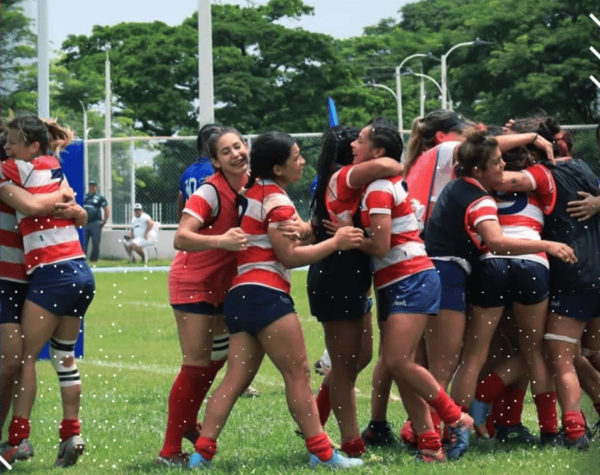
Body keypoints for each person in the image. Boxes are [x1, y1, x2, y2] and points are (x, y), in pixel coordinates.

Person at [190, 131, 365, 470]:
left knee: (234, 380)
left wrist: (313, 230)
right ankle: (323, 454)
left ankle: (201, 455)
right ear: (278, 168)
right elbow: (289, 257)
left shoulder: (254, 191)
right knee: (299, 375)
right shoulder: (277, 199)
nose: (302, 162)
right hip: (266, 294)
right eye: (296, 157)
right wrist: (336, 242)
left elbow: (283, 234)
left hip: (240, 296)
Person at [423, 129, 576, 447]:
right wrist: (536, 141)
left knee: (475, 354)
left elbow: (473, 150)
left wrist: (527, 137)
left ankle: (459, 427)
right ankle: (548, 430)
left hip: (488, 267)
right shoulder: (541, 179)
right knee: (533, 351)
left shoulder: (474, 181)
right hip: (532, 263)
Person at [357, 119, 477, 462]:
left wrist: (345, 238)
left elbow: (380, 246)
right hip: (396, 279)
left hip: (411, 277)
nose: (354, 145)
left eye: (361, 140)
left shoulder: (380, 186)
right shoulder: (378, 183)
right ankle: (429, 444)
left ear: (377, 152)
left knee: (397, 360)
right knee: (400, 363)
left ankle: (456, 418)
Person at [0, 113, 95, 468]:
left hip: (52, 273)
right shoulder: (56, 168)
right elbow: (78, 212)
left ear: (31, 146)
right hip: (82, 272)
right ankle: (72, 431)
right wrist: (74, 206)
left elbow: (29, 204)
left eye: (12, 142)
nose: (7, 148)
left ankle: (17, 439)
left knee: (24, 357)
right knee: (64, 358)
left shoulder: (17, 170)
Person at [307, 124, 404, 456]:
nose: (357, 145)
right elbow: (393, 165)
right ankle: (351, 445)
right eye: (356, 142)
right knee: (345, 369)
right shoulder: (345, 176)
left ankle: (315, 420)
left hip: (351, 276)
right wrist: (375, 152)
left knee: (358, 359)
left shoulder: (344, 178)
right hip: (337, 276)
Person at [157, 126, 250, 467]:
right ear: (215, 161)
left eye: (238, 146)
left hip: (224, 285)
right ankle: (168, 451)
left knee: (216, 360)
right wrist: (222, 240)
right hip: (192, 282)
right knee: (196, 365)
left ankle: (186, 423)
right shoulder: (210, 191)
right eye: (226, 152)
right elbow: (181, 238)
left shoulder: (253, 184)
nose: (235, 154)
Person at [507, 115, 600, 448]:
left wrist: (499, 143)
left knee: (560, 356)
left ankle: (574, 431)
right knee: (585, 354)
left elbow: (492, 177)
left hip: (573, 271)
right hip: (595, 270)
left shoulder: (541, 175)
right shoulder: (582, 168)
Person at [176, 123, 220, 220]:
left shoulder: (187, 173)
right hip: (214, 229)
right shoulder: (218, 169)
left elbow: (181, 207)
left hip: (192, 228)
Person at [82, 180, 110, 262]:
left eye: (93, 186)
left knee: (95, 242)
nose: (91, 187)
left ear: (96, 187)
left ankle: (94, 259)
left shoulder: (100, 197)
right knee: (83, 242)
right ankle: (83, 259)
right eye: (90, 186)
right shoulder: (85, 196)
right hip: (85, 223)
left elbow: (107, 209)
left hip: (95, 223)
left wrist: (104, 221)